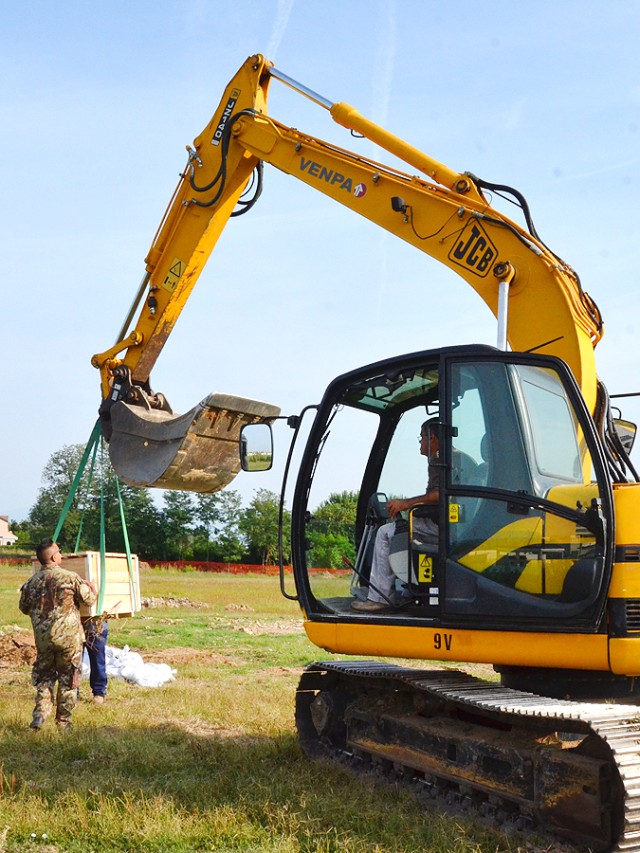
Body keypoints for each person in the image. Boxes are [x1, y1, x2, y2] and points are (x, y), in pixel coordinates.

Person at [351, 418, 441, 613]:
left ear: (431, 437)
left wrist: (406, 504)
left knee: (385, 532)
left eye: (421, 437)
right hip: (446, 524)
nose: (420, 442)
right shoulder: (446, 459)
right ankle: (411, 590)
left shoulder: (442, 460)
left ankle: (379, 597)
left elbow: (440, 495)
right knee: (402, 530)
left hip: (443, 527)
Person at [19, 539, 97, 730]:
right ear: (54, 557)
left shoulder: (31, 583)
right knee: (68, 679)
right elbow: (89, 600)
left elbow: (23, 607)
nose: (61, 555)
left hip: (43, 640)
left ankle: (40, 715)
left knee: (44, 678)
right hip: (68, 640)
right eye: (59, 552)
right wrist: (94, 588)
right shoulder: (70, 578)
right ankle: (63, 722)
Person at [82, 616, 108, 704]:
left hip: (96, 623)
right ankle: (72, 692)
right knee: (74, 660)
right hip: (74, 622)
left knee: (98, 659)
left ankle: (99, 692)